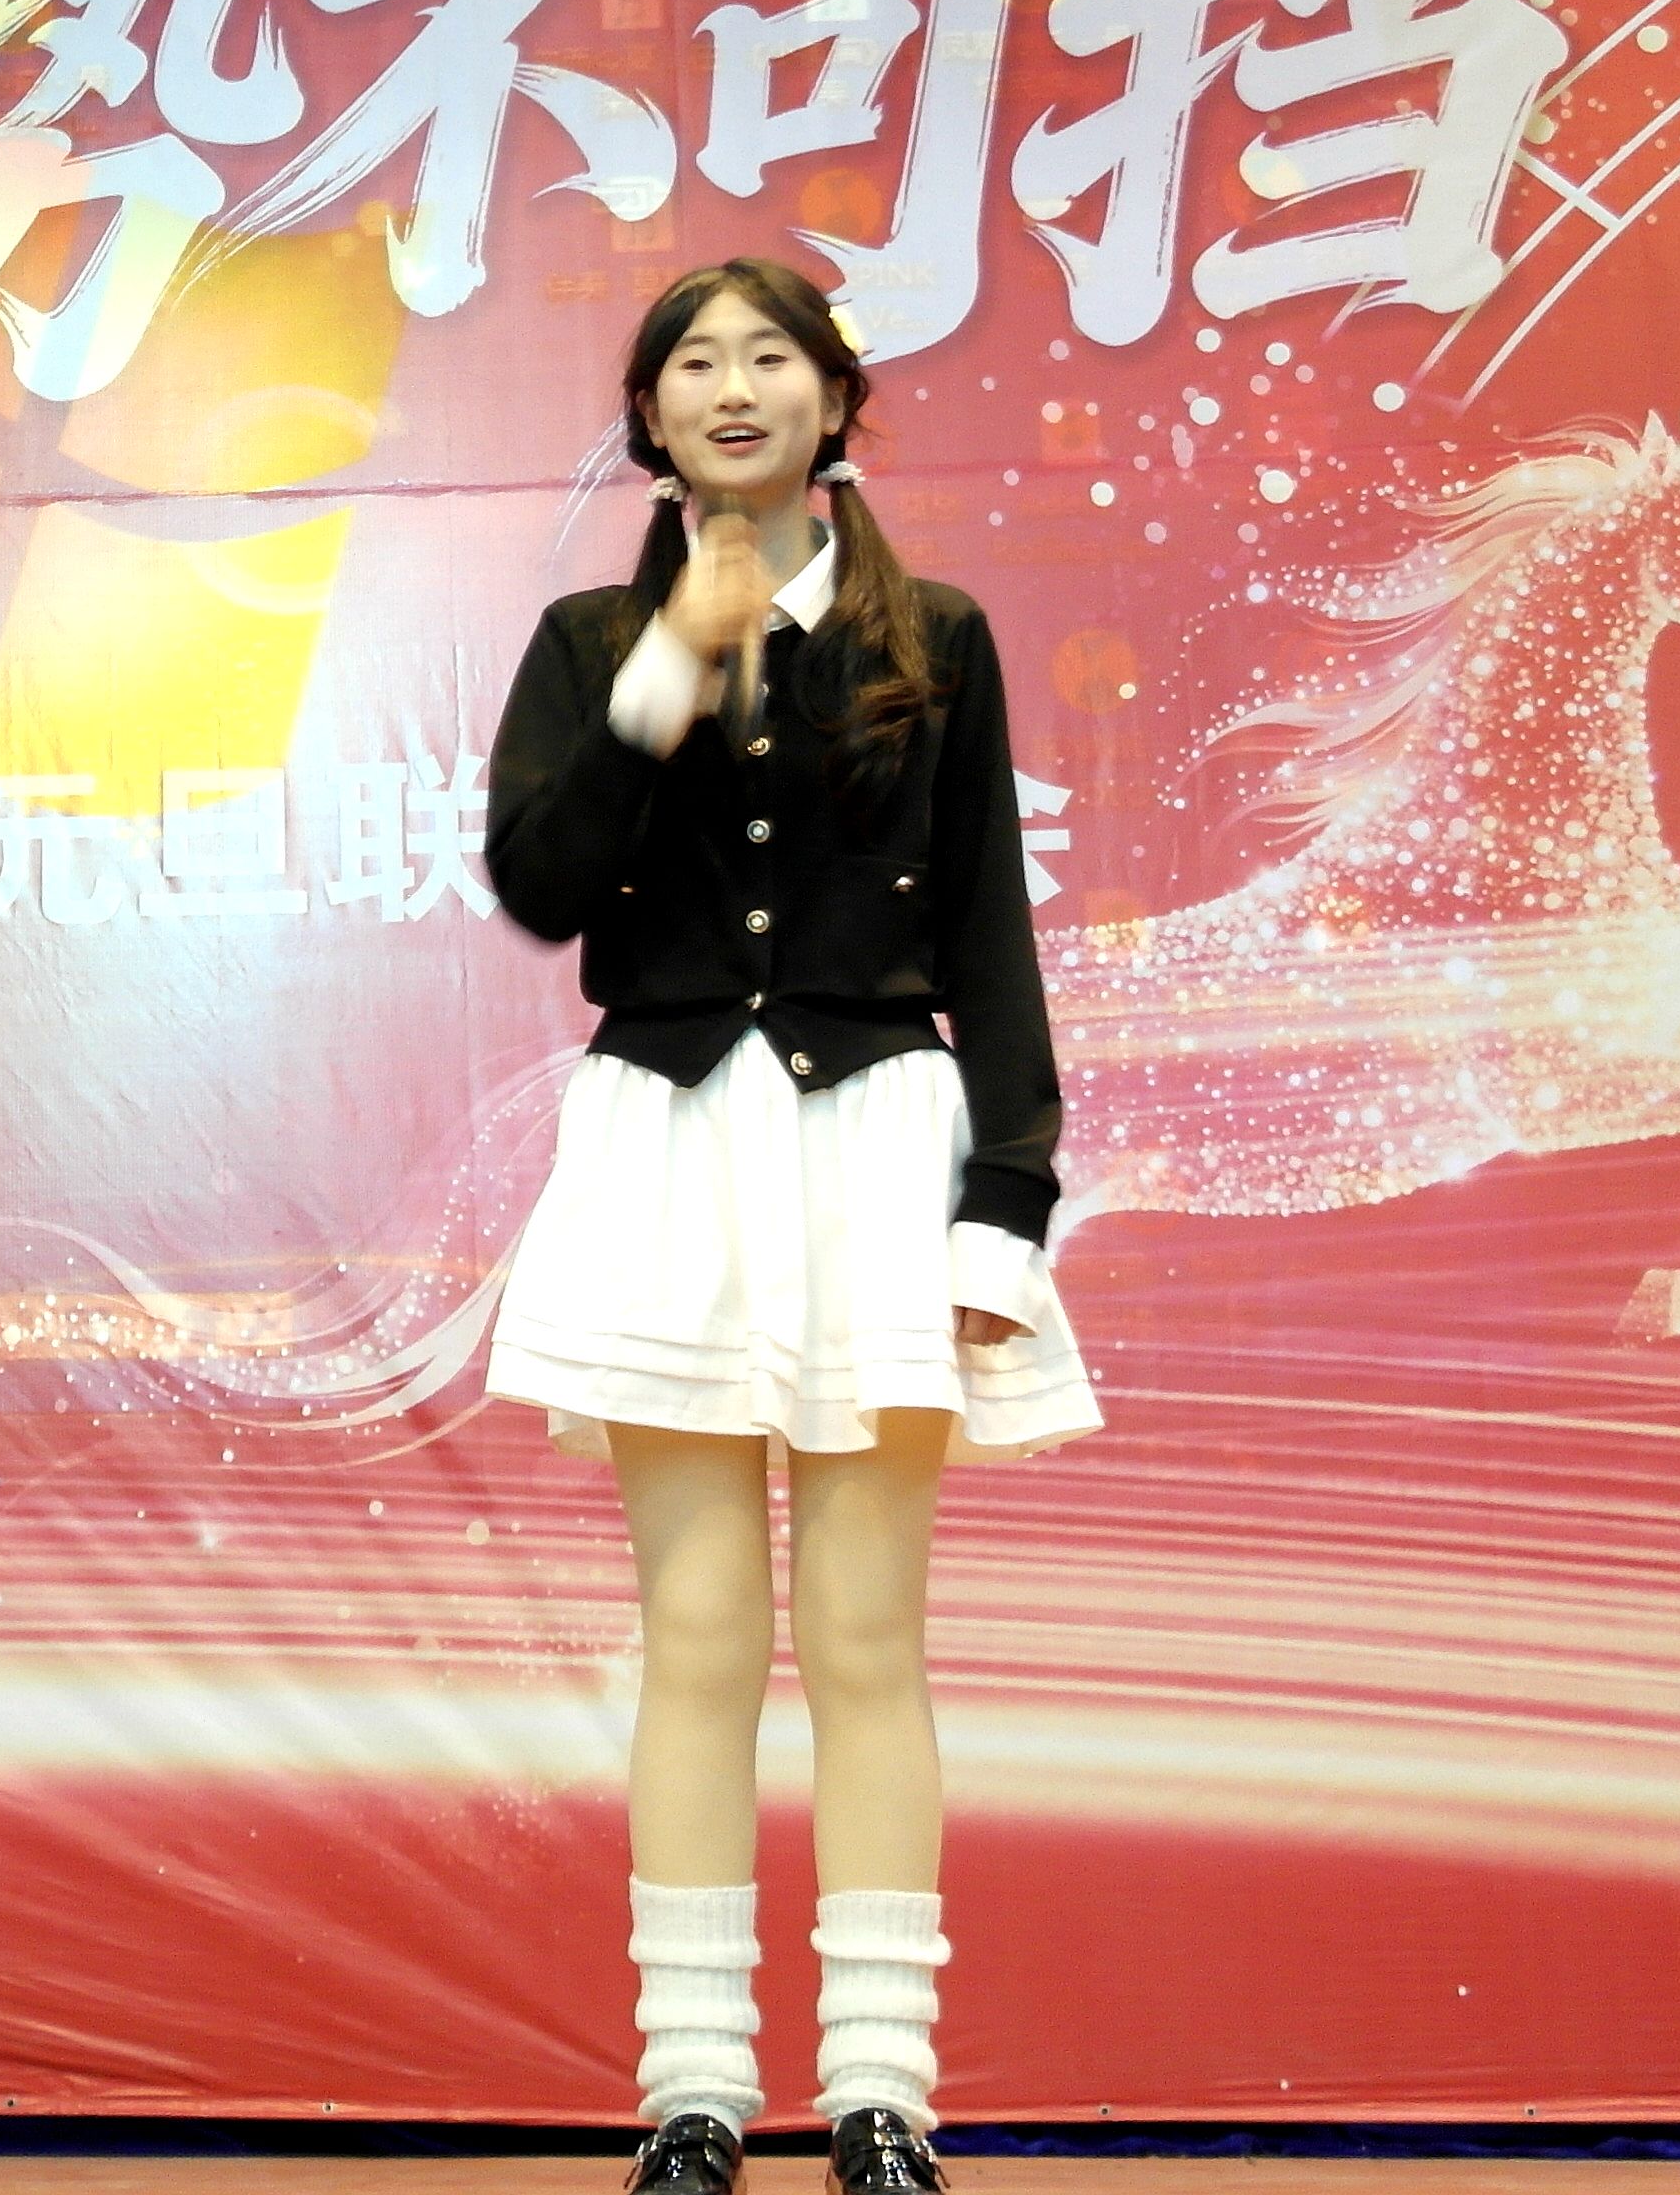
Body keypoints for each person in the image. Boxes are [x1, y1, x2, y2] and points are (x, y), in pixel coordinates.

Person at [482, 257, 1100, 2195]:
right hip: (667, 1141)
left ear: (836, 405)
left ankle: (881, 2095)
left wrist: (1005, 1215)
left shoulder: (940, 637)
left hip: (875, 1151)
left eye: (771, 359)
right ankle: (691, 2091)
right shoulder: (594, 640)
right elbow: (542, 883)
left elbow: (990, 941)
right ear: (649, 418)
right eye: (694, 363)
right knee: (695, 1634)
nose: (732, 388)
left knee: (864, 1637)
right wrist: (672, 667)